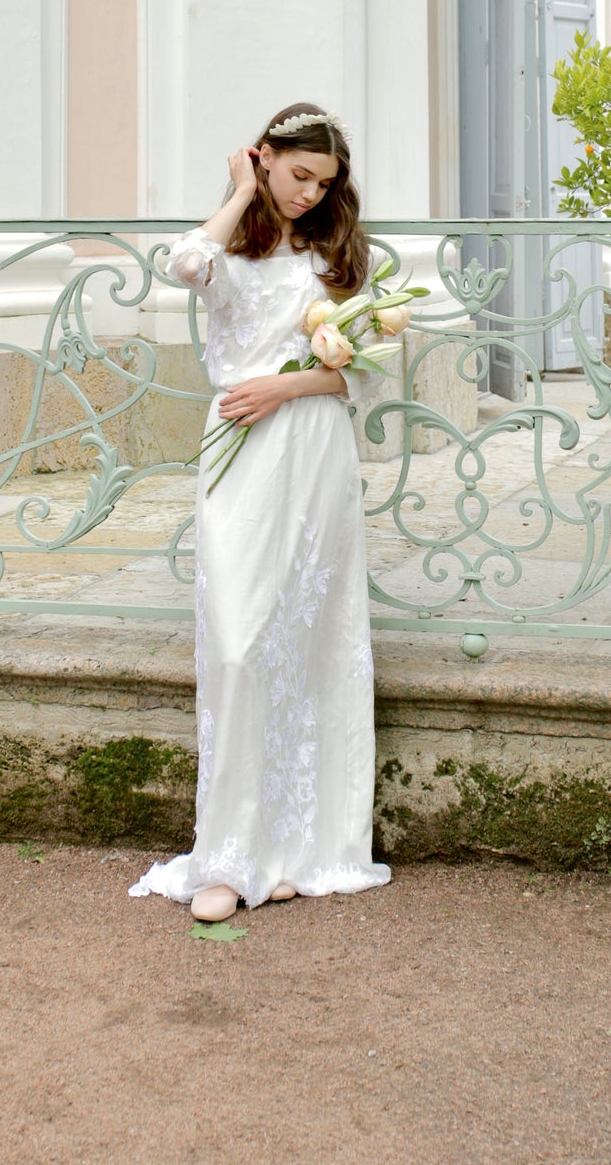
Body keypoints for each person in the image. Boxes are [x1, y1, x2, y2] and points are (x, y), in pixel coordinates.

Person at [130, 102, 392, 921]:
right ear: (266, 159)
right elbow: (180, 262)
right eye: (297, 175)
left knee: (307, 640)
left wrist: (291, 383)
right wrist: (241, 191)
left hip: (312, 446)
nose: (310, 195)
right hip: (239, 457)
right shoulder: (231, 248)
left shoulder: (342, 256)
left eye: (325, 183)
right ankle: (228, 857)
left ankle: (295, 849)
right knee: (240, 643)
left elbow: (374, 376)